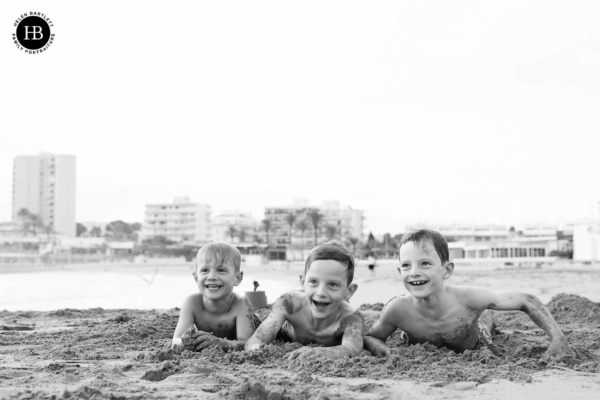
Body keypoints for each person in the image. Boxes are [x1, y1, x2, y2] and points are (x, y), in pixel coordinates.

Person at [364, 228, 575, 360]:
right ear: (400, 272)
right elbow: (372, 338)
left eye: (425, 263)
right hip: (418, 330)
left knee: (485, 321)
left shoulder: (468, 298)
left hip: (475, 334)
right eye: (406, 266)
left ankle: (487, 318)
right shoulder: (397, 310)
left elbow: (526, 299)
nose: (414, 272)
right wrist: (385, 352)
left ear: (446, 270)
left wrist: (558, 339)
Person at [245, 240, 364, 360]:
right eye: (313, 282)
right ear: (303, 281)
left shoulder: (351, 318)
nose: (321, 293)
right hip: (286, 336)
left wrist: (326, 353)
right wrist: (257, 350)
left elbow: (352, 348)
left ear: (349, 291)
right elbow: (257, 339)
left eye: (332, 284)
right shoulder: (289, 303)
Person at [172, 241, 258, 352]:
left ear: (237, 278)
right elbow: (176, 340)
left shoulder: (241, 304)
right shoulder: (192, 303)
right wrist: (186, 343)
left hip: (259, 325)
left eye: (221, 270)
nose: (211, 276)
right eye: (205, 270)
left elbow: (247, 344)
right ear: (196, 277)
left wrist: (220, 343)